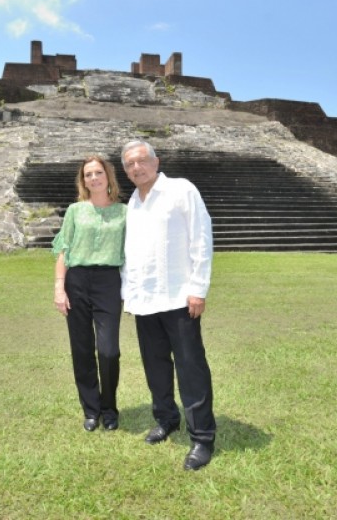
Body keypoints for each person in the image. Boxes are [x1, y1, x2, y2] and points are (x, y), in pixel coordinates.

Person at [120, 140, 217, 471]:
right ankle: (166, 418)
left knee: (190, 367)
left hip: (179, 297)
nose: (137, 168)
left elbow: (201, 238)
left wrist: (198, 289)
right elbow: (131, 254)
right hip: (145, 299)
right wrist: (129, 293)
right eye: (130, 164)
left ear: (156, 161)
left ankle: (202, 437)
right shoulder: (133, 202)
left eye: (142, 161)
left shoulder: (181, 190)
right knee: (155, 366)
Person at [52, 155, 127, 432]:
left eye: (98, 173)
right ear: (83, 180)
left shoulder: (124, 212)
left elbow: (131, 252)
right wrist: (59, 287)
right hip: (77, 280)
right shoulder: (75, 211)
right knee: (81, 349)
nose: (93, 178)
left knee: (108, 351)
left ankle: (110, 408)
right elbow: (64, 249)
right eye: (88, 175)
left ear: (108, 176)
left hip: (109, 281)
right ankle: (91, 410)